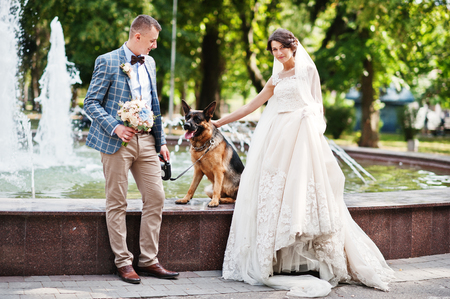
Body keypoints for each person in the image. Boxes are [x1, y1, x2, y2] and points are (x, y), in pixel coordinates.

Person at [212, 28, 395, 297]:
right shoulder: (276, 77)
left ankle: (319, 259)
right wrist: (218, 121)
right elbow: (251, 106)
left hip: (301, 137)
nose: (278, 53)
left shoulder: (308, 71)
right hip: (277, 139)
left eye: (281, 48)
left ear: (293, 45)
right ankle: (274, 259)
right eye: (273, 50)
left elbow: (317, 106)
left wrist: (306, 118)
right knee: (274, 195)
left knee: (304, 194)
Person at [84, 15, 178, 284]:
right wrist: (115, 126)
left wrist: (160, 142)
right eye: (152, 41)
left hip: (147, 142)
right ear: (138, 37)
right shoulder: (107, 60)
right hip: (116, 142)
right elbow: (91, 103)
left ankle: (148, 260)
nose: (154, 46)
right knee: (118, 202)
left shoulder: (150, 62)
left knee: (156, 197)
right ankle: (123, 263)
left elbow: (154, 104)